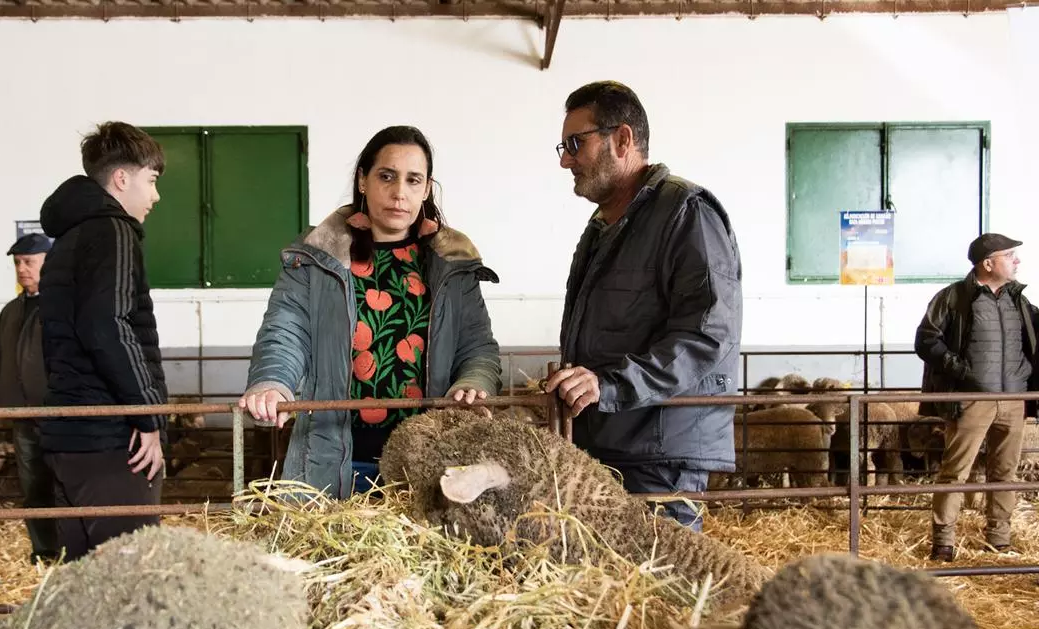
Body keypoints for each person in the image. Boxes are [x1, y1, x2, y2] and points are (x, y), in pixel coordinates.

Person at [240, 125, 502, 498]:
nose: (399, 193)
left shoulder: (453, 265)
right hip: (333, 460)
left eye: (413, 180)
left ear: (427, 189)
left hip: (428, 462)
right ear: (363, 180)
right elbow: (286, 332)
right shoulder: (317, 258)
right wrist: (272, 382)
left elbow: (477, 346)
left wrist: (473, 383)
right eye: (386, 176)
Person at [544, 81, 743, 531]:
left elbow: (707, 334)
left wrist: (609, 386)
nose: (565, 160)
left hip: (658, 455)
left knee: (658, 572)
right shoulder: (603, 227)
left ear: (622, 140)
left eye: (575, 144)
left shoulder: (686, 213)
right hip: (608, 447)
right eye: (563, 147)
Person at [37, 121, 167, 562]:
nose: (155, 196)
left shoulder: (69, 236)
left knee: (82, 577)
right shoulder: (114, 230)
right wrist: (148, 415)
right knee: (129, 573)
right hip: (110, 440)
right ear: (122, 178)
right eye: (152, 180)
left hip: (70, 436)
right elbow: (107, 326)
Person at [915, 233, 1038, 562]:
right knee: (955, 471)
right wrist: (959, 370)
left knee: (1005, 473)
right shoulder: (954, 297)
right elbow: (926, 339)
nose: (1016, 261)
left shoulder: (1019, 300)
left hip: (1014, 399)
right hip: (971, 400)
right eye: (1009, 255)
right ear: (988, 263)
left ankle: (999, 539)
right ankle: (944, 541)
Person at [0, 232, 58, 564]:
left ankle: (69, 550)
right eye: (17, 263)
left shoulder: (61, 308)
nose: (21, 269)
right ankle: (43, 551)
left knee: (62, 483)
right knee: (33, 485)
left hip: (57, 415)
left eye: (29, 262)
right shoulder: (11, 312)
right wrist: (1, 395)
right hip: (24, 416)